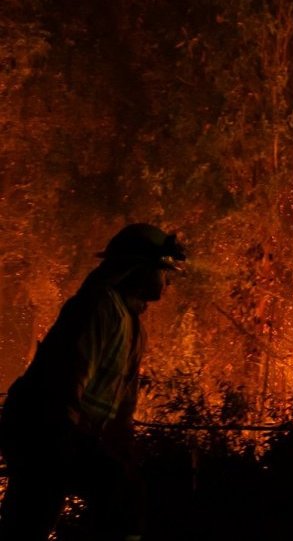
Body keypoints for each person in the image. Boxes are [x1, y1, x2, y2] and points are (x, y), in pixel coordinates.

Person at [0, 223, 186, 540]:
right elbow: (68, 374)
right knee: (99, 496)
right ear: (137, 267)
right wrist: (68, 438)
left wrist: (121, 444)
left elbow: (124, 402)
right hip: (42, 428)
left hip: (63, 431)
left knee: (43, 515)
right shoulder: (99, 306)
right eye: (163, 270)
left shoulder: (134, 327)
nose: (168, 280)